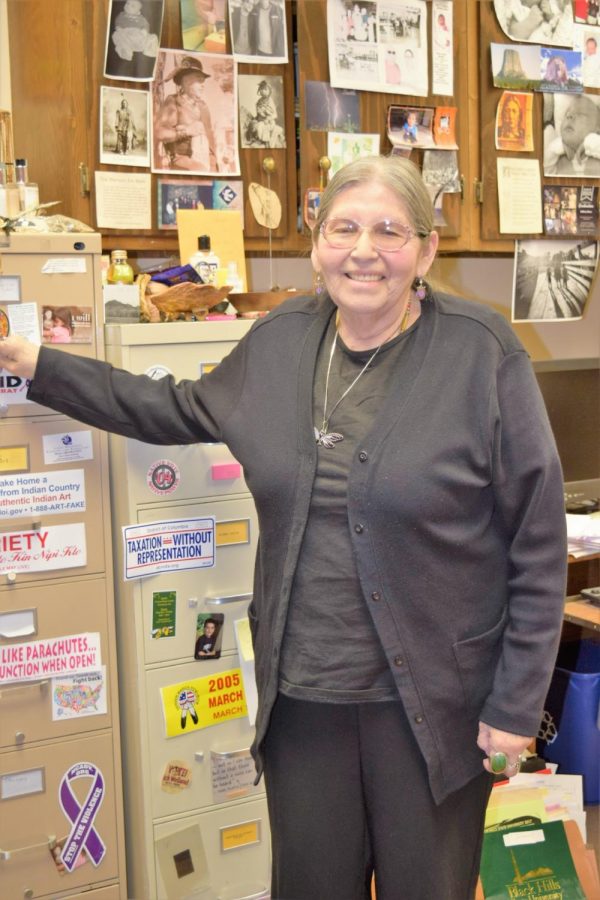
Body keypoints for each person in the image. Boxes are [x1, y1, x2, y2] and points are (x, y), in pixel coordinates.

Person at [0, 155, 568, 900]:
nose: (364, 250)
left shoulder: (480, 354)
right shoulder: (282, 341)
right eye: (344, 227)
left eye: (390, 231)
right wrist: (33, 362)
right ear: (316, 243)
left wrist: (516, 707)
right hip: (303, 703)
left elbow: (538, 540)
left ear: (426, 252)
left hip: (437, 708)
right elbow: (171, 409)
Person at [154, 56, 217, 172]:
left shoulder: (203, 106)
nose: (203, 84)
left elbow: (211, 140)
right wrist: (186, 131)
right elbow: (159, 133)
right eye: (199, 79)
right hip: (182, 162)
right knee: (200, 170)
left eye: (203, 80)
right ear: (186, 81)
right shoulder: (173, 101)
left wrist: (214, 163)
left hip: (205, 161)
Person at [545, 94, 600, 175]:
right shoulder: (556, 160)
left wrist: (591, 142)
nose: (569, 116)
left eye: (580, 114)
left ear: (597, 130)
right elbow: (543, 172)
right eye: (567, 114)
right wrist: (554, 149)